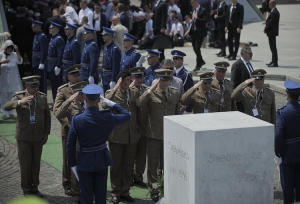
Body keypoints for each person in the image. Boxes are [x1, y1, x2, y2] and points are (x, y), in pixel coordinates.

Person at [67, 84, 131, 204]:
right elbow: (127, 115)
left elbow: (70, 144)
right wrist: (112, 103)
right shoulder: (107, 117)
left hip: (84, 161)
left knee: (86, 197)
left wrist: (72, 164)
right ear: (99, 99)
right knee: (101, 196)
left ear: (85, 98)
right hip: (101, 159)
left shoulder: (77, 119)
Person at [136, 69, 180, 202]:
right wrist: (150, 90)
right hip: (154, 134)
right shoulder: (151, 92)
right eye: (163, 80)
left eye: (167, 80)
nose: (165, 82)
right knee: (153, 164)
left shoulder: (174, 92)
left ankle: (167, 187)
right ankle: (154, 188)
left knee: (168, 163)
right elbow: (139, 103)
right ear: (158, 79)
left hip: (169, 134)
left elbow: (177, 113)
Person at [4, 75, 51, 198]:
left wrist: (46, 133)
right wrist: (20, 102)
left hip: (38, 136)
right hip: (23, 137)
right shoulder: (19, 96)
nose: (36, 89)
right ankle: (26, 188)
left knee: (36, 163)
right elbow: (6, 106)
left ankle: (34, 187)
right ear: (26, 86)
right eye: (33, 86)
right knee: (25, 164)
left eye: (37, 86)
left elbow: (47, 117)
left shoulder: (42, 97)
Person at [103, 70, 141, 204]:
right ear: (119, 81)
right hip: (117, 136)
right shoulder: (111, 93)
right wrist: (115, 87)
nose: (126, 83)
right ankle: (115, 192)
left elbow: (138, 113)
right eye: (124, 80)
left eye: (128, 80)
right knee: (116, 166)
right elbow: (103, 104)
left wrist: (138, 130)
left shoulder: (134, 93)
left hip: (131, 135)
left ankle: (125, 192)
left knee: (128, 165)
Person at [54, 80, 87, 204]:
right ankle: (74, 191)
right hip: (72, 137)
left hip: (87, 140)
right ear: (74, 93)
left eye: (84, 93)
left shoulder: (89, 103)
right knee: (71, 162)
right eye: (80, 93)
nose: (83, 95)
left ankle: (85, 189)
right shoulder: (70, 104)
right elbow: (57, 112)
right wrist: (69, 100)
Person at [274, 80, 300, 204]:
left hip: (287, 154)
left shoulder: (283, 112)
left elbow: (278, 135)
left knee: (288, 186)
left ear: (287, 94)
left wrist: (277, 152)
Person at [129, 67, 148, 188]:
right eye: (136, 77)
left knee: (141, 155)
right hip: (132, 127)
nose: (139, 79)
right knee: (131, 154)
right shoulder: (129, 91)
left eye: (140, 77)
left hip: (144, 126)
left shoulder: (146, 90)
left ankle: (138, 177)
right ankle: (129, 177)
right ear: (132, 78)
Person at [0, 40, 23, 119]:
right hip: (3, 79)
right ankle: (3, 112)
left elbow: (20, 62)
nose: (9, 49)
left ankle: (11, 112)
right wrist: (2, 62)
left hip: (13, 79)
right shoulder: (1, 54)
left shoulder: (14, 55)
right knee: (3, 96)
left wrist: (17, 51)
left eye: (11, 48)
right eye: (8, 47)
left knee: (12, 96)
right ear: (5, 47)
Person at [230, 45, 254, 112]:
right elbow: (234, 81)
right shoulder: (237, 65)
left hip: (249, 95)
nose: (251, 55)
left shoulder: (249, 64)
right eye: (250, 53)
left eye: (252, 53)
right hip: (241, 96)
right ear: (243, 54)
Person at [11, 7, 34, 76]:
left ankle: (21, 73)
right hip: (29, 42)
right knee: (31, 58)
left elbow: (13, 33)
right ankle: (33, 71)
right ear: (25, 13)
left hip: (19, 43)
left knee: (20, 59)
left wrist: (14, 42)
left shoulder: (15, 21)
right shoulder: (29, 21)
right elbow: (32, 32)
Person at [47, 21, 65, 102]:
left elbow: (60, 54)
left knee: (57, 85)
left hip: (55, 65)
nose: (49, 29)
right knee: (53, 85)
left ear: (56, 29)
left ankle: (59, 102)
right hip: (51, 65)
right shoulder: (53, 38)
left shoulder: (58, 39)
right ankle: (55, 101)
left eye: (51, 28)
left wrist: (58, 66)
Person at [101, 27, 121, 93]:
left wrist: (113, 80)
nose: (103, 37)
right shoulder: (105, 47)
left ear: (110, 36)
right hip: (105, 77)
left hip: (110, 77)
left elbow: (116, 66)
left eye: (105, 35)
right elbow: (103, 64)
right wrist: (101, 76)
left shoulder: (115, 49)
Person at [31, 20, 48, 95]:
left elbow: (43, 50)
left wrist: (42, 62)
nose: (32, 28)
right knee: (37, 81)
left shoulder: (42, 36)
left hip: (39, 60)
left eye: (34, 26)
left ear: (38, 26)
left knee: (42, 81)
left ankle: (43, 97)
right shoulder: (36, 35)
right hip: (35, 60)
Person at [190, 0, 207, 71]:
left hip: (200, 32)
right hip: (193, 31)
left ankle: (198, 65)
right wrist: (192, 20)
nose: (191, 4)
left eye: (192, 2)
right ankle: (201, 61)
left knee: (197, 48)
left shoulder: (203, 10)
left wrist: (197, 18)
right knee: (194, 48)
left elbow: (205, 20)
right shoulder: (193, 10)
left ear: (196, 2)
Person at [264, 0, 279, 67]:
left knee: (273, 47)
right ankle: (273, 60)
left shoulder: (274, 12)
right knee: (272, 47)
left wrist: (266, 29)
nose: (268, 5)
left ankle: (275, 62)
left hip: (272, 32)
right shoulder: (273, 11)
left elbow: (271, 23)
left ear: (272, 5)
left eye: (269, 4)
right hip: (271, 32)